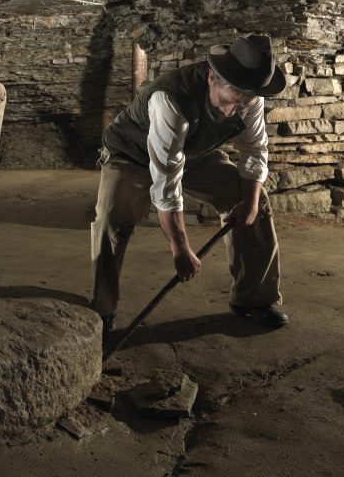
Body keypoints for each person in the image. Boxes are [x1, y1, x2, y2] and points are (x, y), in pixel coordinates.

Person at [92, 34, 288, 340]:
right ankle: (101, 312)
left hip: (195, 153)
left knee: (253, 199)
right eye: (226, 102)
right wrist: (180, 247)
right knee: (111, 221)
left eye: (241, 105)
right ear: (212, 77)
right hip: (132, 155)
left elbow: (254, 151)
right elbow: (166, 183)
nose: (230, 113)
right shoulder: (170, 99)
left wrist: (248, 202)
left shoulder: (250, 98)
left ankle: (254, 299)